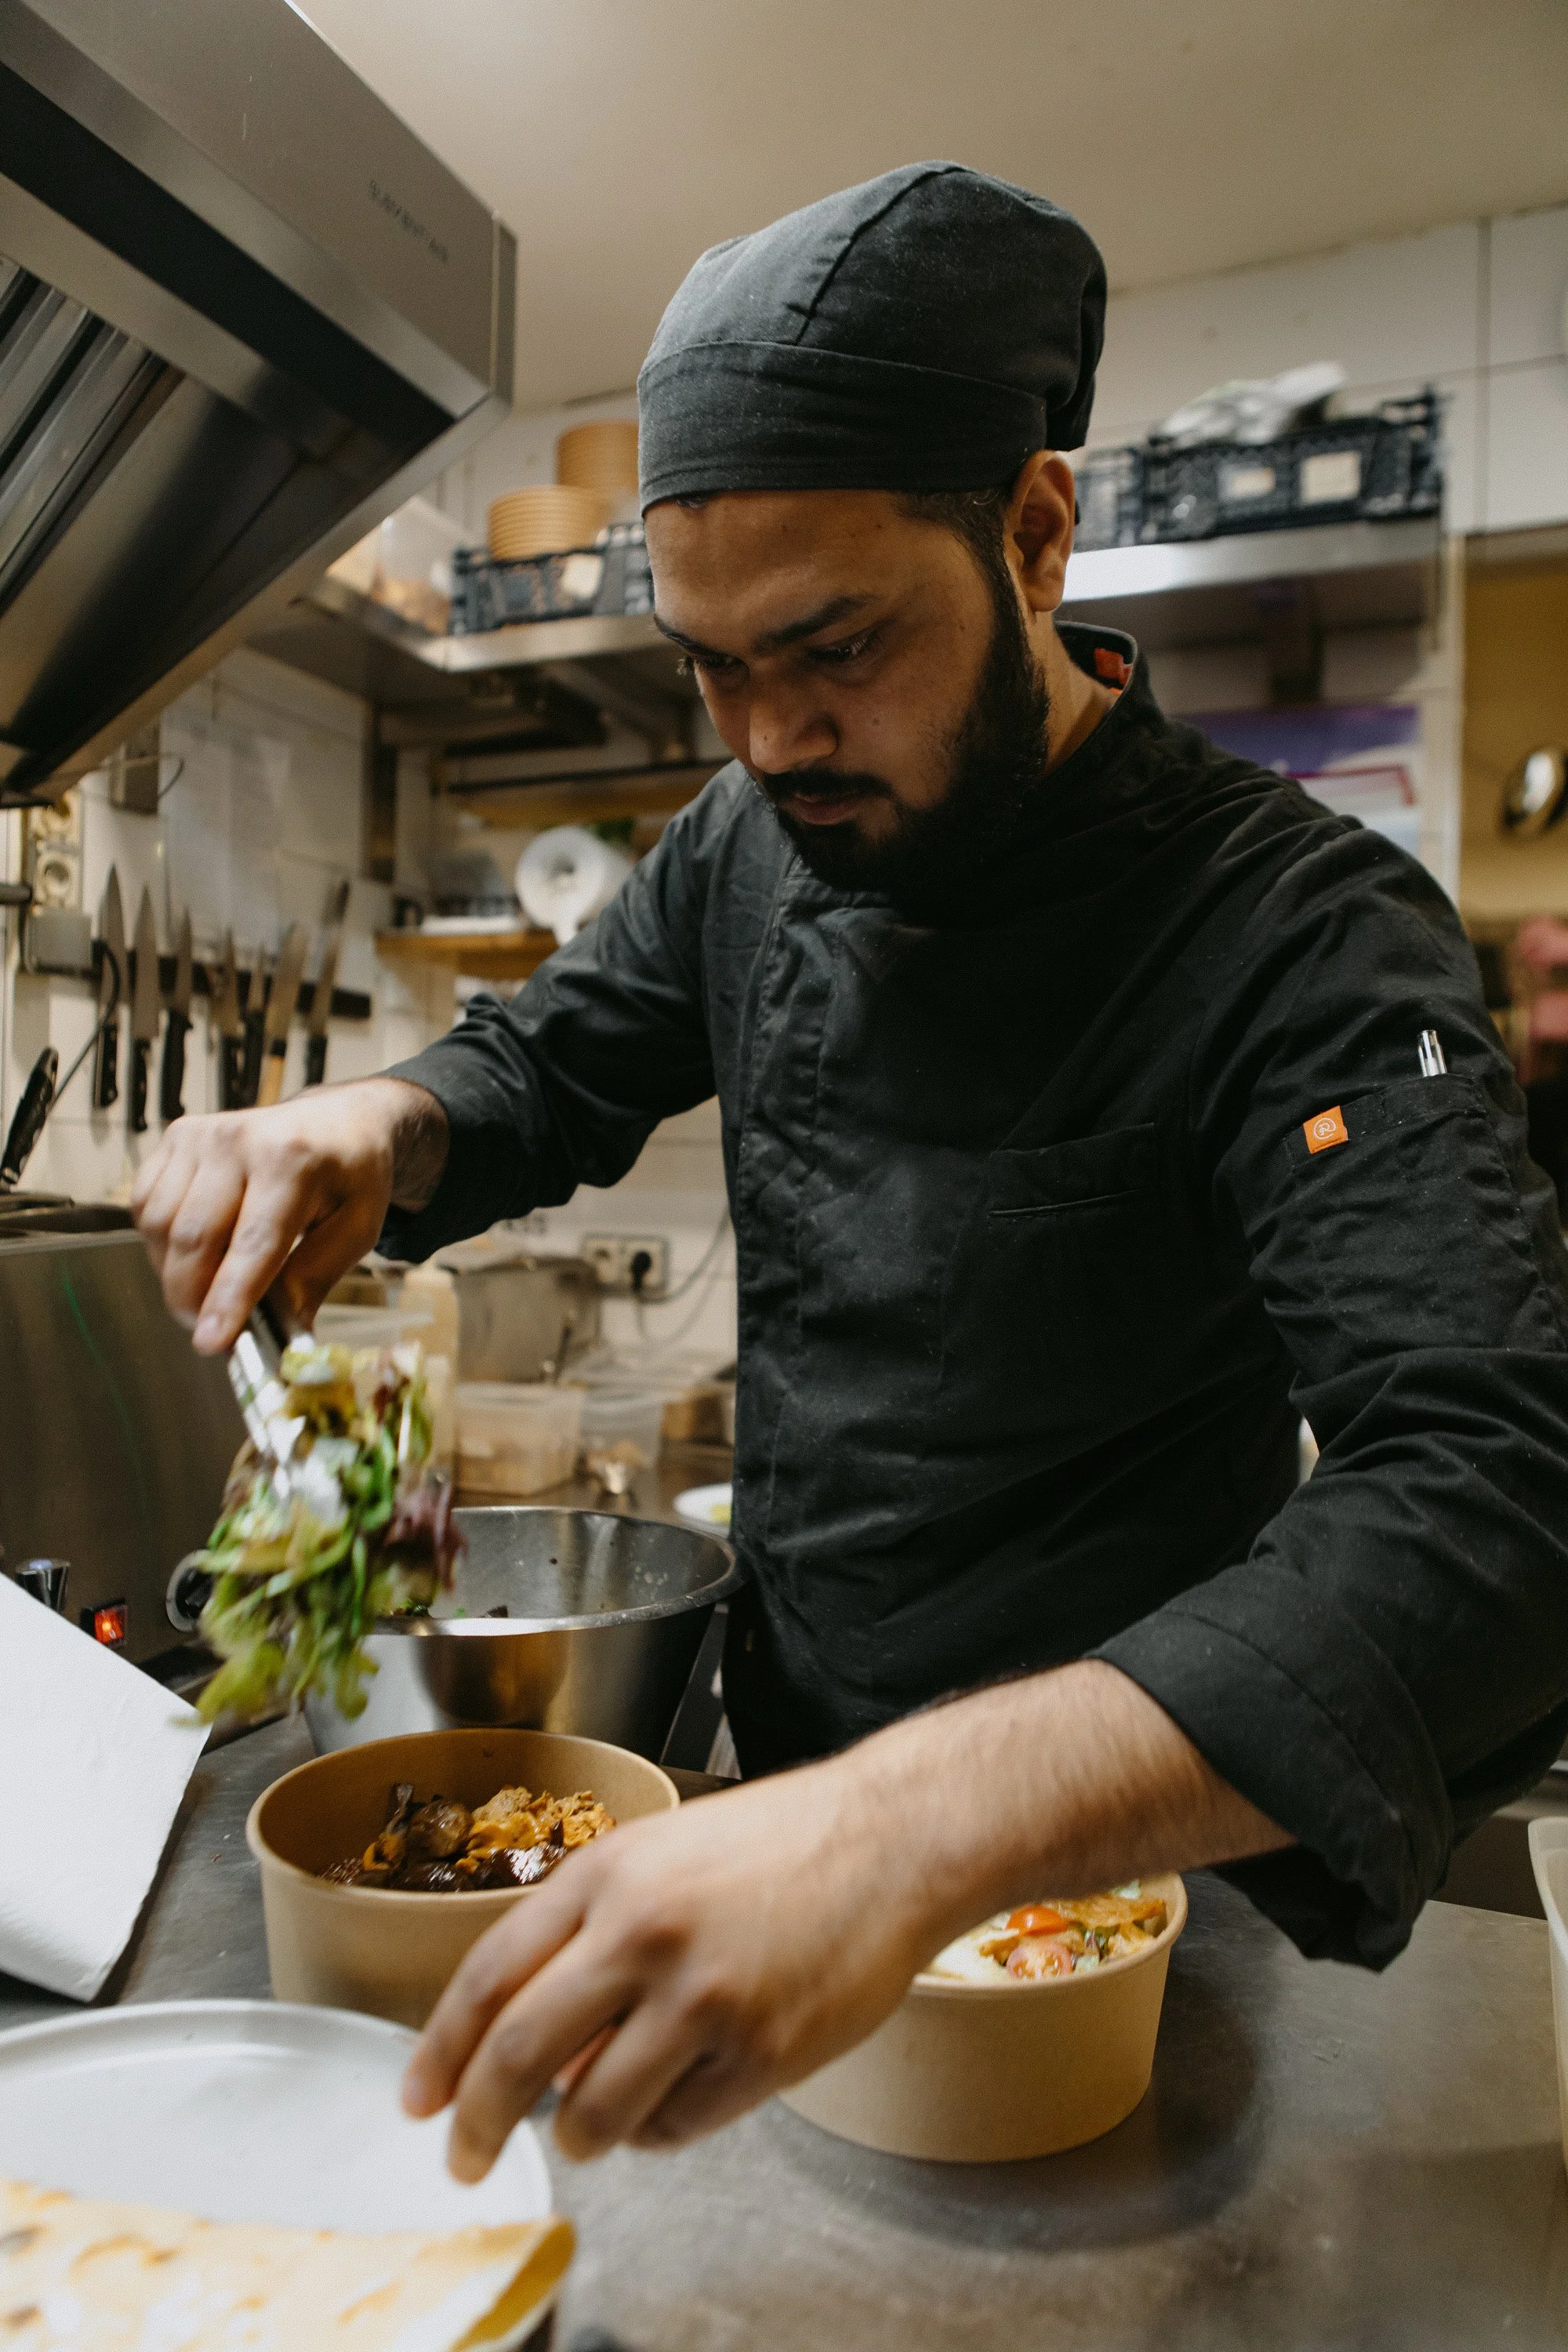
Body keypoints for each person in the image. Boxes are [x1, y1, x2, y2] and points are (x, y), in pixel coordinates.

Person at [134, 164, 1568, 2179]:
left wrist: (901, 1828)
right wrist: (372, 1120)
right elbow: (549, 1060)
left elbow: (1499, 1501)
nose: (765, 735)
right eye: (707, 665)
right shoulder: (754, 840)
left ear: (1038, 534)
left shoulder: (1302, 937)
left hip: (1130, 1906)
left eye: (833, 646)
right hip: (779, 1839)